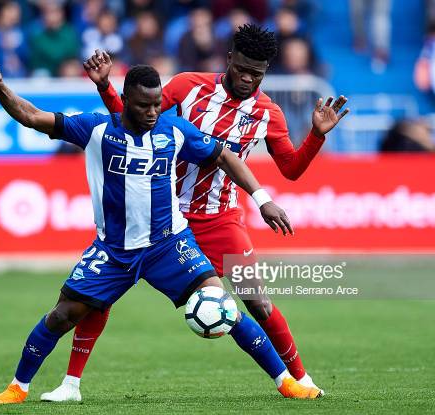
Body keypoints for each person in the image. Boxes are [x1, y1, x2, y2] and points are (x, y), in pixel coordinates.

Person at [0, 63, 323, 404]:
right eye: (144, 105)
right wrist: (2, 89)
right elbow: (33, 117)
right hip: (114, 251)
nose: (153, 112)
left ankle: (286, 383)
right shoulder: (96, 129)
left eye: (157, 104)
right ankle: (18, 387)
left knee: (225, 307)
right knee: (63, 315)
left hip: (168, 245)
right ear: (126, 100)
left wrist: (262, 200)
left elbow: (225, 157)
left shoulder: (173, 130)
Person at [46, 24, 349, 402]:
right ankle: (70, 383)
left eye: (256, 73)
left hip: (220, 218)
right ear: (229, 59)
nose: (247, 78)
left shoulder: (268, 112)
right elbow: (132, 121)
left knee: (257, 301)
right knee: (98, 297)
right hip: (163, 217)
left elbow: (290, 168)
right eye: (241, 68)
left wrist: (316, 135)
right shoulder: (188, 86)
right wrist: (107, 87)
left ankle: (299, 379)